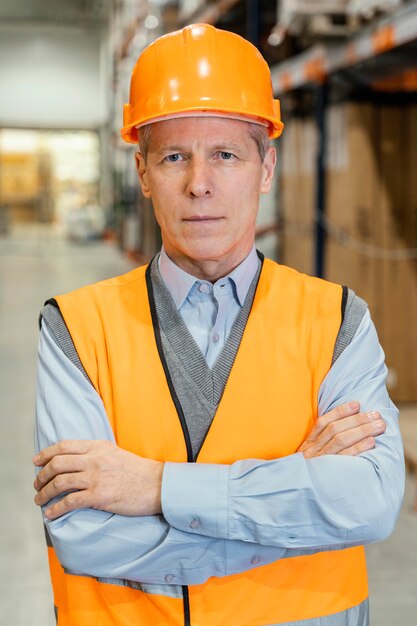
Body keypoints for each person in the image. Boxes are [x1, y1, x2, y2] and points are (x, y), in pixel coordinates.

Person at [33, 23, 404, 626]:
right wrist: (296, 502)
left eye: (225, 155)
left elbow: (371, 502)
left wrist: (156, 488)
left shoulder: (336, 321)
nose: (199, 183)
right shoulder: (75, 329)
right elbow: (84, 536)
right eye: (174, 156)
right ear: (144, 173)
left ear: (266, 168)